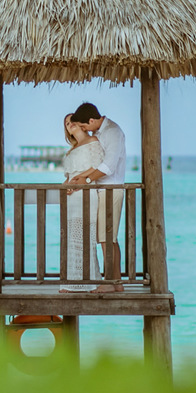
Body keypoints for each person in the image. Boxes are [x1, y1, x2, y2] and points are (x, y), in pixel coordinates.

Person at [65, 102, 126, 292]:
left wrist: (87, 179)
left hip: (111, 189)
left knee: (107, 238)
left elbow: (109, 166)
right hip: (102, 190)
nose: (85, 130)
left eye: (84, 126)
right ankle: (116, 283)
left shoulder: (112, 132)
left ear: (91, 121)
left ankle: (110, 284)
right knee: (107, 238)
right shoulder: (100, 133)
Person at [60, 114, 103, 293]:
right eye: (66, 124)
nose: (70, 125)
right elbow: (68, 176)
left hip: (85, 190)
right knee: (70, 238)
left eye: (72, 121)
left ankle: (90, 281)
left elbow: (98, 165)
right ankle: (70, 282)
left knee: (85, 237)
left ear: (80, 122)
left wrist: (80, 181)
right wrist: (66, 186)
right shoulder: (71, 149)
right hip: (71, 197)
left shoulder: (93, 140)